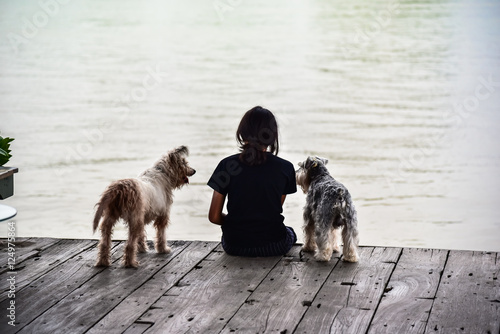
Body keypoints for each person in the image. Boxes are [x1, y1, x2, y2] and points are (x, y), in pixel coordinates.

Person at [207, 106, 297, 257]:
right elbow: (270, 211)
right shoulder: (286, 168)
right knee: (291, 232)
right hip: (274, 245)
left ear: (242, 133)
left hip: (235, 246)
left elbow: (214, 217)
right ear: (272, 136)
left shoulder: (226, 165)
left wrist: (236, 222)